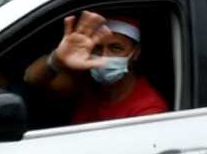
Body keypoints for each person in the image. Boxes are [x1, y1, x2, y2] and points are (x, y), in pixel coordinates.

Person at [23, 10, 169, 125]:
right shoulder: (86, 83)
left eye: (116, 48)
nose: (104, 56)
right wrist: (57, 58)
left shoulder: (148, 108)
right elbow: (32, 79)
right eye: (97, 48)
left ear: (135, 53)